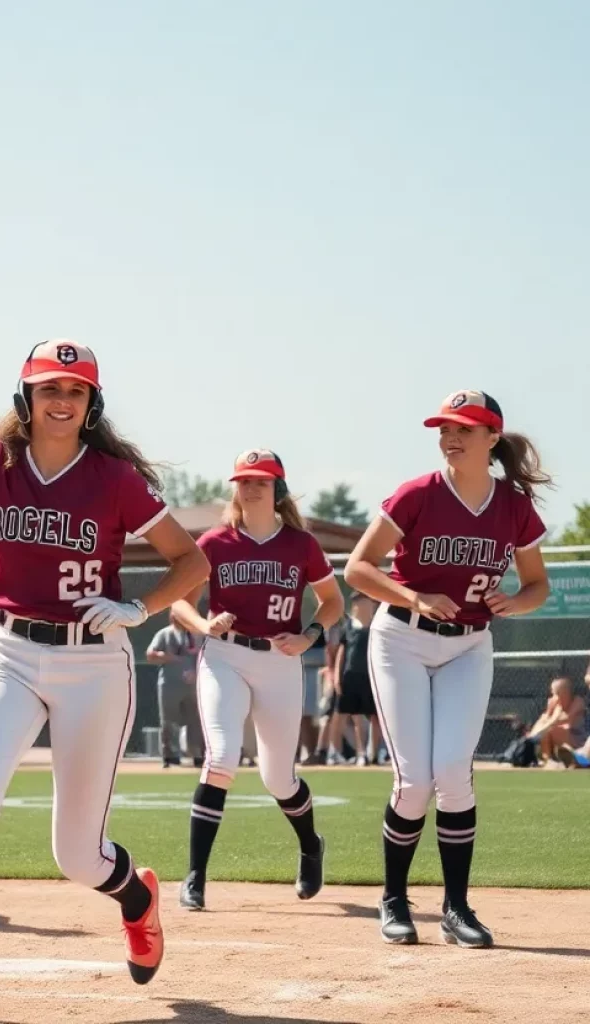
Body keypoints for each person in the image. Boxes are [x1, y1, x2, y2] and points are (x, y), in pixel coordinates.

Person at [0, 340, 209, 1021]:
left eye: (76, 391)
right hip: (10, 653)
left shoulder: (112, 478)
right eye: (49, 388)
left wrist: (138, 608)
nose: (62, 401)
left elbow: (191, 561)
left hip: (93, 663)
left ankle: (137, 900)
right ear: (25, 397)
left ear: (92, 405)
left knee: (78, 855)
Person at [345, 390, 550, 948]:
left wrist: (519, 601)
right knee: (415, 780)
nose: (450, 436)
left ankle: (457, 908)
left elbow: (538, 585)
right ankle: (393, 898)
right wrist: (414, 597)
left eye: (464, 427)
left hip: (469, 645)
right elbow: (359, 569)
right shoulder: (418, 493)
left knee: (454, 770)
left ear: (492, 438)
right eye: (443, 428)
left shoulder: (513, 505)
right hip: (402, 641)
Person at [171, 449, 345, 912]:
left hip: (279, 658)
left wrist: (310, 635)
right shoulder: (215, 542)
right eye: (244, 480)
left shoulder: (300, 544)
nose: (250, 488)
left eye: (261, 481)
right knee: (222, 756)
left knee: (279, 777)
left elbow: (332, 601)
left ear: (278, 490)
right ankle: (196, 877)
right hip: (226, 654)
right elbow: (179, 603)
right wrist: (204, 625)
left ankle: (310, 846)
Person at [146, 610, 203, 767]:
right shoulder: (164, 634)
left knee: (197, 722)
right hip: (170, 684)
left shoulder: (199, 635)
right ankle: (170, 756)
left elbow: (207, 656)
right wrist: (169, 657)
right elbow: (150, 655)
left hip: (194, 686)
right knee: (169, 721)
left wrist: (197, 673)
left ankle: (198, 755)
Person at [330, 592, 382, 766]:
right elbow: (341, 653)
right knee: (356, 717)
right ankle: (360, 754)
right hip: (351, 676)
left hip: (372, 676)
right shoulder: (349, 626)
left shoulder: (377, 625)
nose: (360, 604)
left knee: (375, 717)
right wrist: (337, 677)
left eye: (363, 600)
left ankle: (373, 753)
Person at [526, 676, 587, 764]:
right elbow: (543, 719)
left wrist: (549, 723)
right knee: (547, 730)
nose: (553, 695)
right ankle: (548, 760)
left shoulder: (578, 702)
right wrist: (534, 733)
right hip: (558, 743)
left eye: (555, 693)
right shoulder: (553, 702)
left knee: (554, 730)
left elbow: (566, 720)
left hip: (578, 741)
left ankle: (576, 759)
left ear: (565, 693)